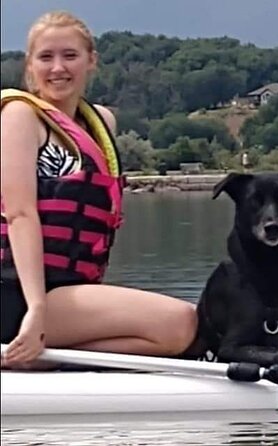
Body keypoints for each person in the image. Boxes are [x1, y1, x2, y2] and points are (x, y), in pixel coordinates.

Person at [0, 11, 197, 368]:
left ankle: (40, 361)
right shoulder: (19, 115)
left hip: (68, 293)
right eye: (45, 57)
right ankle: (25, 351)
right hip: (18, 294)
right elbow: (19, 214)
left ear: (91, 60)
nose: (58, 68)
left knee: (180, 331)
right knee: (180, 321)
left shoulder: (102, 122)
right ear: (30, 65)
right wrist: (37, 310)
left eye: (70, 55)